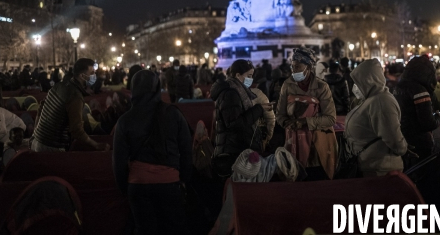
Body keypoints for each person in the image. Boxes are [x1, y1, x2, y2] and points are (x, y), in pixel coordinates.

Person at [113, 69, 192, 235]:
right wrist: (183, 180)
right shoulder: (173, 114)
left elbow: (118, 161)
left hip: (138, 185)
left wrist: (125, 188)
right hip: (169, 183)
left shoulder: (125, 120)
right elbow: (186, 150)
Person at [276, 48, 337, 180]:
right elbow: (280, 114)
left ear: (308, 66)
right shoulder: (287, 85)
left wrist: (305, 122)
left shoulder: (321, 87)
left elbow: (330, 119)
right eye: (292, 66)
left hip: (316, 145)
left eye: (298, 67)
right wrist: (287, 123)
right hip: (292, 144)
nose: (294, 70)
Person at [344, 59, 407, 176]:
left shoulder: (381, 101)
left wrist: (402, 148)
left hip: (381, 171)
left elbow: (394, 139)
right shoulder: (370, 99)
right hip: (371, 167)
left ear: (369, 81)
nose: (355, 86)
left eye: (358, 82)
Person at [31, 58, 110, 152]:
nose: (94, 76)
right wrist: (96, 145)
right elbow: (76, 131)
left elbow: (40, 110)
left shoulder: (59, 85)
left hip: (37, 142)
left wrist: (35, 134)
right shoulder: (75, 96)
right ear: (82, 76)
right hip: (52, 148)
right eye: (92, 73)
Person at [211, 60, 272, 177]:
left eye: (252, 76)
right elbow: (234, 123)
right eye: (248, 76)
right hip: (232, 152)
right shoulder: (230, 94)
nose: (251, 79)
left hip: (237, 148)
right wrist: (258, 109)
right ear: (238, 75)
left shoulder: (239, 91)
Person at [394, 55, 440, 160]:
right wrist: (439, 116)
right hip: (418, 141)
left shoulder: (398, 87)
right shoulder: (420, 91)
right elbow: (428, 123)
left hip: (401, 137)